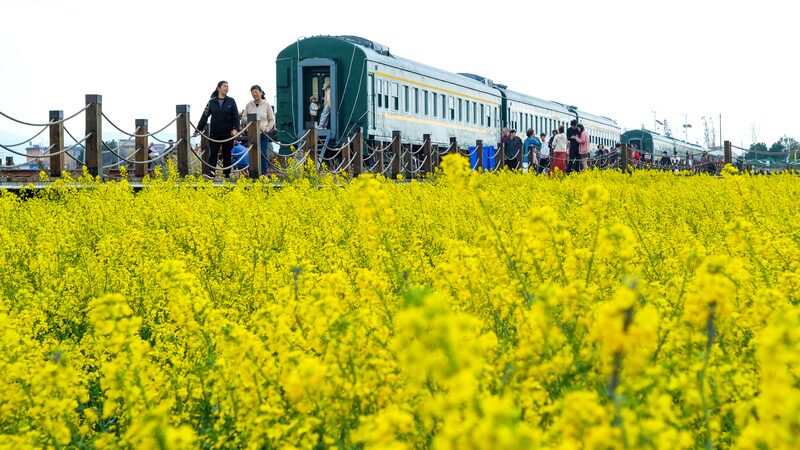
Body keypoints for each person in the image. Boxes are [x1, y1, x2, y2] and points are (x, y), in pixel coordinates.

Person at [194, 80, 240, 178]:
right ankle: (211, 172)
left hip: (228, 133)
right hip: (215, 133)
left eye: (228, 86)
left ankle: (227, 174)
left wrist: (236, 129)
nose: (226, 88)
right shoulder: (211, 102)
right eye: (224, 86)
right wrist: (197, 130)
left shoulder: (231, 101)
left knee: (227, 153)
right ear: (218, 88)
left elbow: (236, 116)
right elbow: (204, 116)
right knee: (213, 152)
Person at [241, 84, 276, 175]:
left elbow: (272, 119)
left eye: (256, 92)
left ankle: (263, 172)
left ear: (260, 92)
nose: (254, 94)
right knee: (252, 152)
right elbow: (243, 118)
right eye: (252, 92)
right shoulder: (249, 105)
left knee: (263, 153)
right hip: (252, 133)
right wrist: (250, 119)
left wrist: (267, 128)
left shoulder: (266, 104)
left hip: (263, 132)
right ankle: (253, 172)